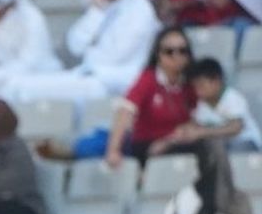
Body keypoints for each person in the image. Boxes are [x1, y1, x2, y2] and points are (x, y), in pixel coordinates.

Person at [5, 0, 160, 116]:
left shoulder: (141, 13)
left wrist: (91, 55)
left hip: (117, 80)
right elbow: (75, 45)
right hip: (92, 75)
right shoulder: (104, 6)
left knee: (27, 88)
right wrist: (97, 13)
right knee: (17, 85)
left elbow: (114, 57)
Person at [39, 26, 197, 164]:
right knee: (107, 138)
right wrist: (113, 151)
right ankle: (73, 151)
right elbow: (125, 110)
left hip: (173, 144)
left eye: (182, 51)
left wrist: (171, 140)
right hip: (143, 143)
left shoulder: (193, 82)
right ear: (158, 55)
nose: (176, 57)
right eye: (169, 52)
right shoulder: (149, 79)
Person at [189, 58, 262, 153]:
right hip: (222, 145)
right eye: (195, 87)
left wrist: (203, 132)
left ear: (216, 81)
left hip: (245, 142)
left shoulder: (232, 97)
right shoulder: (201, 104)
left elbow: (236, 128)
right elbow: (196, 124)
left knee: (228, 151)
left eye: (201, 86)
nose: (198, 91)